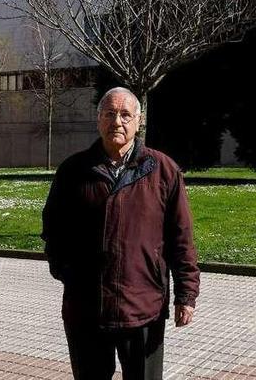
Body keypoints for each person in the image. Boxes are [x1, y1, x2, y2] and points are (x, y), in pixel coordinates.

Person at [42, 87, 200, 380]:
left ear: (139, 121)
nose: (117, 121)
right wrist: (67, 272)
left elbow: (182, 238)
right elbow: (53, 229)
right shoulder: (74, 170)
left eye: (126, 115)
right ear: (98, 119)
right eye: (109, 114)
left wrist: (186, 294)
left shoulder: (163, 170)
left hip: (143, 308)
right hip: (86, 308)